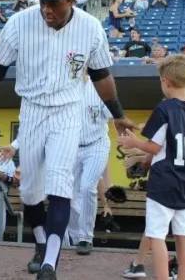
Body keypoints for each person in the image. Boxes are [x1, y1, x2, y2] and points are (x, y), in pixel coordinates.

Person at [0, 0, 136, 278]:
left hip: (67, 112)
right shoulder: (20, 23)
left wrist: (117, 114)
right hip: (32, 110)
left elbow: (102, 76)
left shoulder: (90, 28)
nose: (47, 9)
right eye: (42, 2)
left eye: (54, 3)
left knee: (61, 184)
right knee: (31, 190)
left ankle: (50, 262)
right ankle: (40, 242)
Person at [117, 54, 185, 280]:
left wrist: (133, 143)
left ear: (166, 81)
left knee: (157, 235)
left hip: (163, 181)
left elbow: (153, 146)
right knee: (183, 234)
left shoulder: (164, 109)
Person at [67, 71, 111, 255]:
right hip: (73, 146)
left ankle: (86, 237)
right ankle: (76, 236)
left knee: (87, 187)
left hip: (97, 143)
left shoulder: (98, 87)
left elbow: (112, 113)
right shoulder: (66, 87)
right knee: (67, 193)